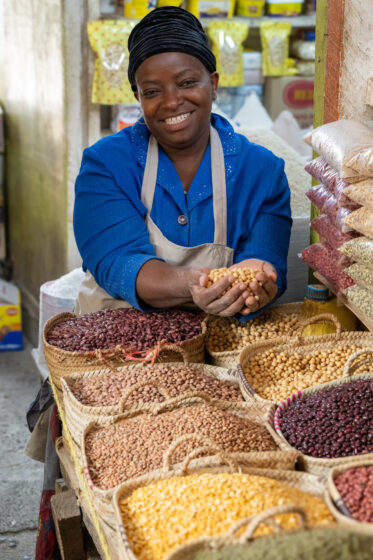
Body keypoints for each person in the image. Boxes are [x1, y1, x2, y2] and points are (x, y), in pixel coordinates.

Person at [73, 6, 292, 319]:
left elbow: (265, 259)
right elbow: (117, 261)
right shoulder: (106, 165)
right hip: (115, 346)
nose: (172, 101)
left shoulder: (262, 172)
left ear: (213, 84)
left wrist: (259, 283)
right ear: (138, 98)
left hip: (218, 348)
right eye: (152, 91)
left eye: (187, 82)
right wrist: (194, 284)